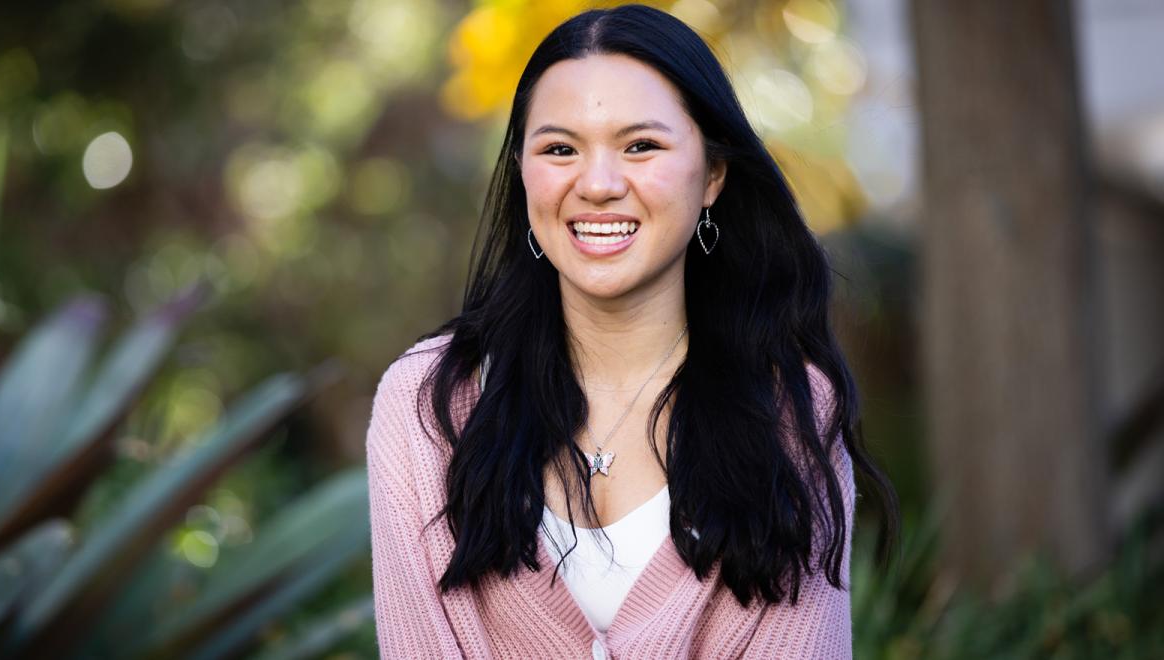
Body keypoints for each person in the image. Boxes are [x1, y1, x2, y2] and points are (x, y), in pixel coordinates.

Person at [365, 4, 898, 658]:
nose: (598, 184)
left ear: (713, 175)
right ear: (523, 175)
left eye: (640, 145)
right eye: (559, 149)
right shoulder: (426, 407)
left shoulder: (791, 409)